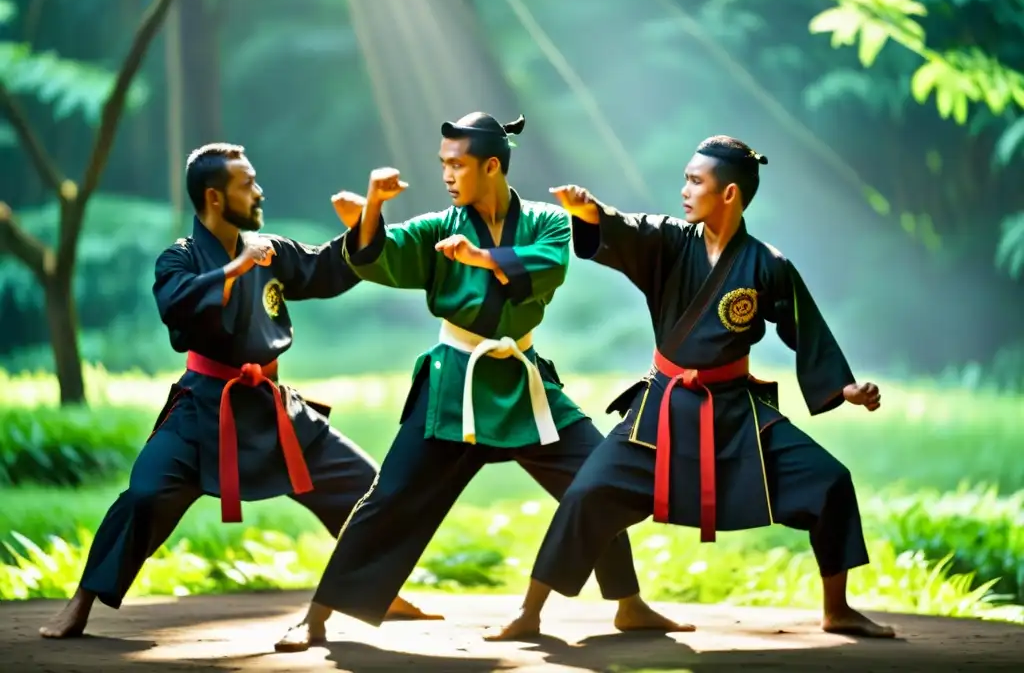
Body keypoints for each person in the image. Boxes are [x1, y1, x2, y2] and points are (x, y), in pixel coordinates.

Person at [274, 113, 689, 652]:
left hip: (523, 380)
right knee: (390, 497)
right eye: (443, 164)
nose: (447, 174)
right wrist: (373, 209)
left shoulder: (546, 220)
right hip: (456, 383)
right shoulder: (436, 227)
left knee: (597, 478)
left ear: (491, 165)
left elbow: (549, 265)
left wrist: (481, 258)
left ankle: (628, 604)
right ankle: (317, 616)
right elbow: (382, 254)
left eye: (458, 164)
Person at [489, 134, 896, 641]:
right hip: (662, 409)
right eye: (684, 178)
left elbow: (804, 328)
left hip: (736, 415)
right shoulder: (668, 241)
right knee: (586, 493)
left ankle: (837, 608)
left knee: (830, 482)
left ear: (728, 194)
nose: (684, 190)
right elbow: (627, 229)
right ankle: (530, 613)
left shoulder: (766, 264)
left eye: (695, 181)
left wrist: (847, 387)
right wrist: (591, 212)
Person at [40, 143, 437, 639]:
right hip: (204, 409)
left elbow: (327, 267)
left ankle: (377, 590)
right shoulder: (180, 259)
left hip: (272, 409)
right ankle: (81, 602)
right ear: (213, 197)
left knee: (366, 486)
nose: (258, 191)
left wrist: (373, 207)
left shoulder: (268, 249)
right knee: (144, 496)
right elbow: (179, 307)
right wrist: (237, 268)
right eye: (246, 184)